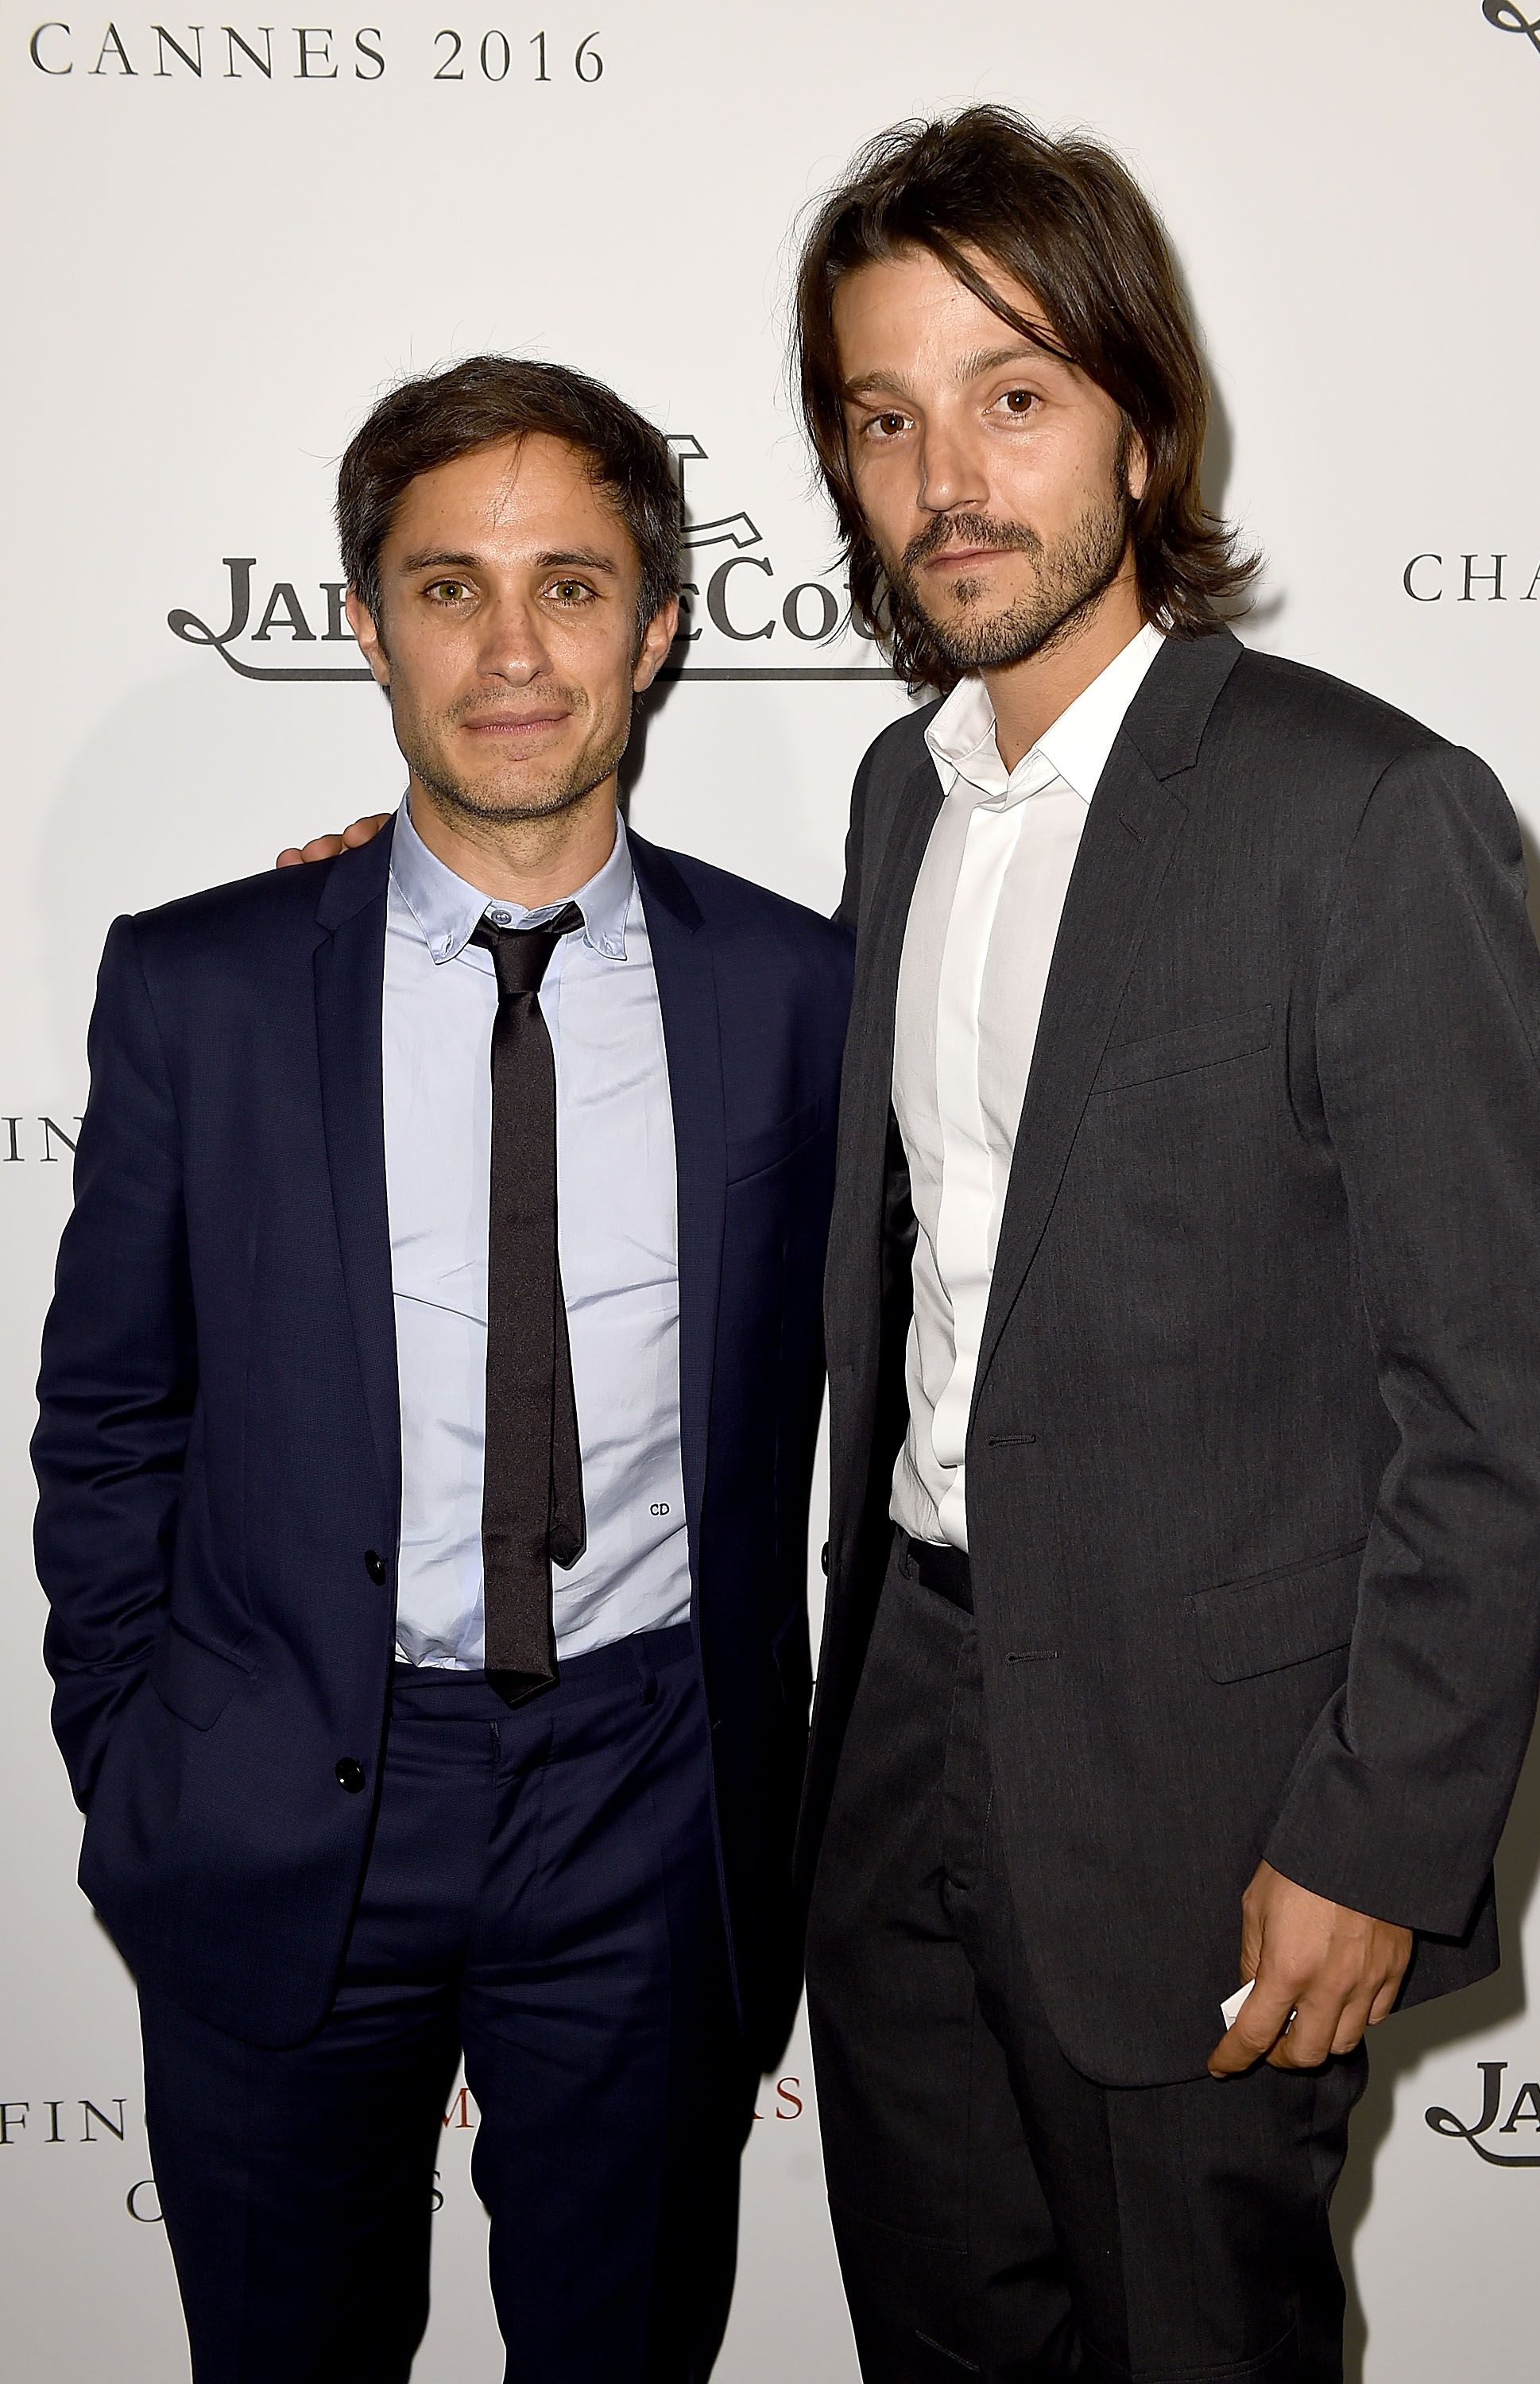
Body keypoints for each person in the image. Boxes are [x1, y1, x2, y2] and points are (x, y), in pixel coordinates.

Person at [787, 108, 1540, 2381]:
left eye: (1010, 394)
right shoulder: (890, 799)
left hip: (1213, 1808)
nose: (943, 474)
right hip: (899, 1753)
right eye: (881, 416)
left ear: (1143, 425)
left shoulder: (1361, 811)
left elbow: (1494, 1392)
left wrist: (1371, 1833)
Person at [33, 354, 851, 2384]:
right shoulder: (198, 984)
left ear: (658, 630)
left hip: (655, 1807)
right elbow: (112, 1414)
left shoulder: (802, 988)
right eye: (446, 586)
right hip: (285, 1793)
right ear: (362, 625)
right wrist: (143, 1757)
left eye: (570, 587)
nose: (510, 650)